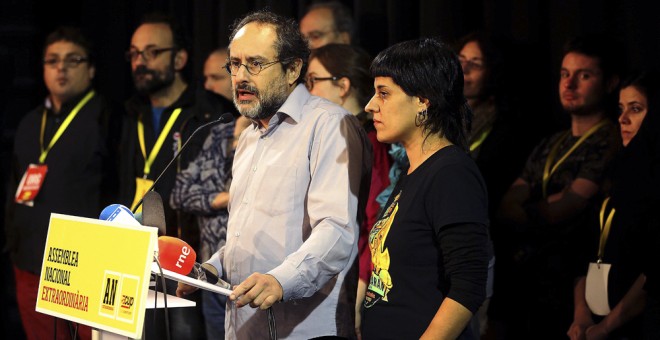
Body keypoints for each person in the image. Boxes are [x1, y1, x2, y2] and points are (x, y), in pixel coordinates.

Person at [177, 10, 371, 339]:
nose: (240, 76)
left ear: (293, 68)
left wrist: (280, 280)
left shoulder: (329, 125)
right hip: (242, 325)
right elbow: (247, 233)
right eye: (235, 64)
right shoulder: (250, 136)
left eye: (255, 64)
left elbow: (337, 232)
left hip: (303, 330)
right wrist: (213, 268)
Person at [361, 37, 491, 340]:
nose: (370, 105)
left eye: (384, 93)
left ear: (423, 100)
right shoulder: (413, 171)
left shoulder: (451, 173)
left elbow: (468, 286)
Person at [118, 11, 236, 339]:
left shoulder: (211, 113)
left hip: (185, 262)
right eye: (135, 54)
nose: (140, 61)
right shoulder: (131, 112)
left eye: (152, 52)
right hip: (134, 251)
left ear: (180, 58)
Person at [497, 35, 621, 339]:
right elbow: (506, 205)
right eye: (565, 74)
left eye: (585, 75)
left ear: (609, 83)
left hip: (573, 289)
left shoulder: (611, 142)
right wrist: (541, 205)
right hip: (528, 284)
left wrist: (535, 208)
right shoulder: (551, 143)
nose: (570, 84)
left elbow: (565, 210)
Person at [4, 26, 118, 340]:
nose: (61, 68)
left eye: (72, 60)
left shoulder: (109, 118)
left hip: (85, 270)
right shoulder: (30, 122)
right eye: (52, 61)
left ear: (91, 69)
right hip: (30, 264)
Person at [305, 42, 392, 335]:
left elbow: (374, 221)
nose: (307, 91)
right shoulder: (331, 137)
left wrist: (360, 287)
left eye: (313, 80)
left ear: (342, 85)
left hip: (354, 277)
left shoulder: (369, 141)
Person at [567, 71, 659, 340]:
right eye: (620, 109)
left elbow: (653, 269)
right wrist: (582, 316)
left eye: (636, 109)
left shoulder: (652, 183)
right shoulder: (616, 170)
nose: (623, 119)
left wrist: (607, 327)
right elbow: (582, 248)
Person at [170, 48, 250, 340]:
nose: (207, 86)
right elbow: (179, 193)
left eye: (216, 77)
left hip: (250, 276)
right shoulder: (217, 133)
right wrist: (222, 199)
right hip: (211, 273)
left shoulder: (269, 134)